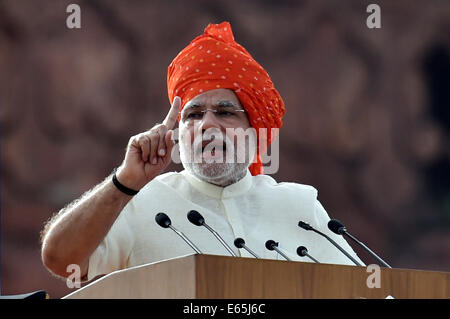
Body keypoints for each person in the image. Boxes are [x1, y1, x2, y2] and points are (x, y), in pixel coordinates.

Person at [41, 22, 363, 282]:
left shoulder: (298, 207)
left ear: (253, 131)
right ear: (179, 133)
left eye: (224, 113)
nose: (208, 125)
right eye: (194, 115)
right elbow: (60, 259)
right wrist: (124, 182)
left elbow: (368, 293)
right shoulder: (142, 203)